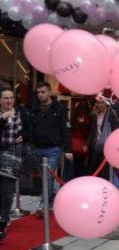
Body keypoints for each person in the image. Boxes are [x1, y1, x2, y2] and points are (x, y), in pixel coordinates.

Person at [30, 81, 72, 217]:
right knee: (44, 178)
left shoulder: (59, 108)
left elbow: (65, 130)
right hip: (37, 148)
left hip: (53, 149)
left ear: (49, 92)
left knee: (48, 177)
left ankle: (43, 205)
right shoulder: (34, 109)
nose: (40, 95)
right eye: (38, 93)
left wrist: (67, 149)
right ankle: (52, 198)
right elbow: (30, 128)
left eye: (43, 92)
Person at [0, 87, 31, 239]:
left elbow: (29, 130)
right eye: (5, 98)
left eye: (11, 98)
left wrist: (22, 135)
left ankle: (3, 219)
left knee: (7, 191)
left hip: (11, 155)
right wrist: (3, 120)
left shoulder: (21, 112)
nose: (9, 101)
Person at [85, 99, 119, 189]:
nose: (99, 104)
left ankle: (107, 189)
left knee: (105, 170)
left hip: (107, 144)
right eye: (98, 103)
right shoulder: (96, 115)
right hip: (105, 145)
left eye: (101, 103)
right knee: (97, 168)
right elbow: (93, 131)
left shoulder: (110, 113)